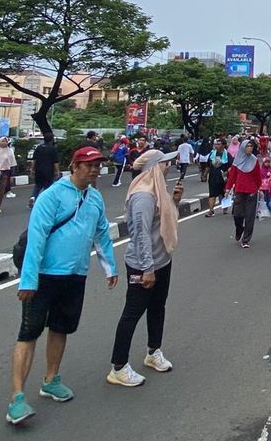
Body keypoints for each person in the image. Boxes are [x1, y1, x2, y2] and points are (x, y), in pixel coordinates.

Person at [7, 146, 118, 425]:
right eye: (88, 165)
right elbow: (36, 238)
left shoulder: (95, 198)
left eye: (97, 165)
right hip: (44, 276)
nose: (94, 170)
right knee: (29, 333)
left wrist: (110, 267)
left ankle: (51, 380)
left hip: (75, 275)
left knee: (61, 328)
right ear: (74, 166)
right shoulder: (52, 196)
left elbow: (102, 233)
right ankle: (17, 398)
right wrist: (28, 279)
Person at [108, 149, 183, 387]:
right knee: (132, 313)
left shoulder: (157, 193)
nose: (168, 166)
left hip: (162, 261)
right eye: (163, 163)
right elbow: (140, 235)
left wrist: (176, 201)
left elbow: (160, 222)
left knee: (157, 308)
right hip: (144, 265)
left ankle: (153, 352)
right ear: (152, 168)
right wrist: (147, 269)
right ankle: (118, 367)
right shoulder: (143, 197)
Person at [225, 140, 262, 248]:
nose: (250, 148)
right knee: (237, 214)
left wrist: (258, 189)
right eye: (247, 146)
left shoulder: (254, 161)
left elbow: (258, 177)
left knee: (250, 216)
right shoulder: (237, 161)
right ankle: (239, 229)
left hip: (252, 191)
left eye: (251, 146)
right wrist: (227, 189)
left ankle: (246, 239)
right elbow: (232, 176)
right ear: (242, 148)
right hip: (239, 190)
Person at [31, 134, 58, 208]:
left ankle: (33, 198)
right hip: (49, 171)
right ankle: (45, 202)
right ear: (52, 139)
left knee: (38, 186)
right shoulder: (53, 149)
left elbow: (34, 160)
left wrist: (32, 169)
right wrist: (57, 171)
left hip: (38, 170)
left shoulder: (39, 148)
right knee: (48, 188)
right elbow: (55, 162)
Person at [206, 138, 231, 217]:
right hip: (213, 177)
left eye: (219, 144)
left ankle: (225, 209)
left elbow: (231, 167)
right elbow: (208, 166)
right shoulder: (212, 154)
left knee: (224, 193)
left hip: (223, 178)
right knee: (212, 194)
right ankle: (211, 210)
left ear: (223, 145)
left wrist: (227, 172)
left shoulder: (228, 155)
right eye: (216, 144)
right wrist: (204, 174)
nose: (216, 146)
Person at [0, 137, 18, 208]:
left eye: (5, 141)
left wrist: (12, 175)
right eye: (2, 141)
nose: (4, 143)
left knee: (2, 189)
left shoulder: (10, 151)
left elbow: (12, 164)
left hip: (5, 172)